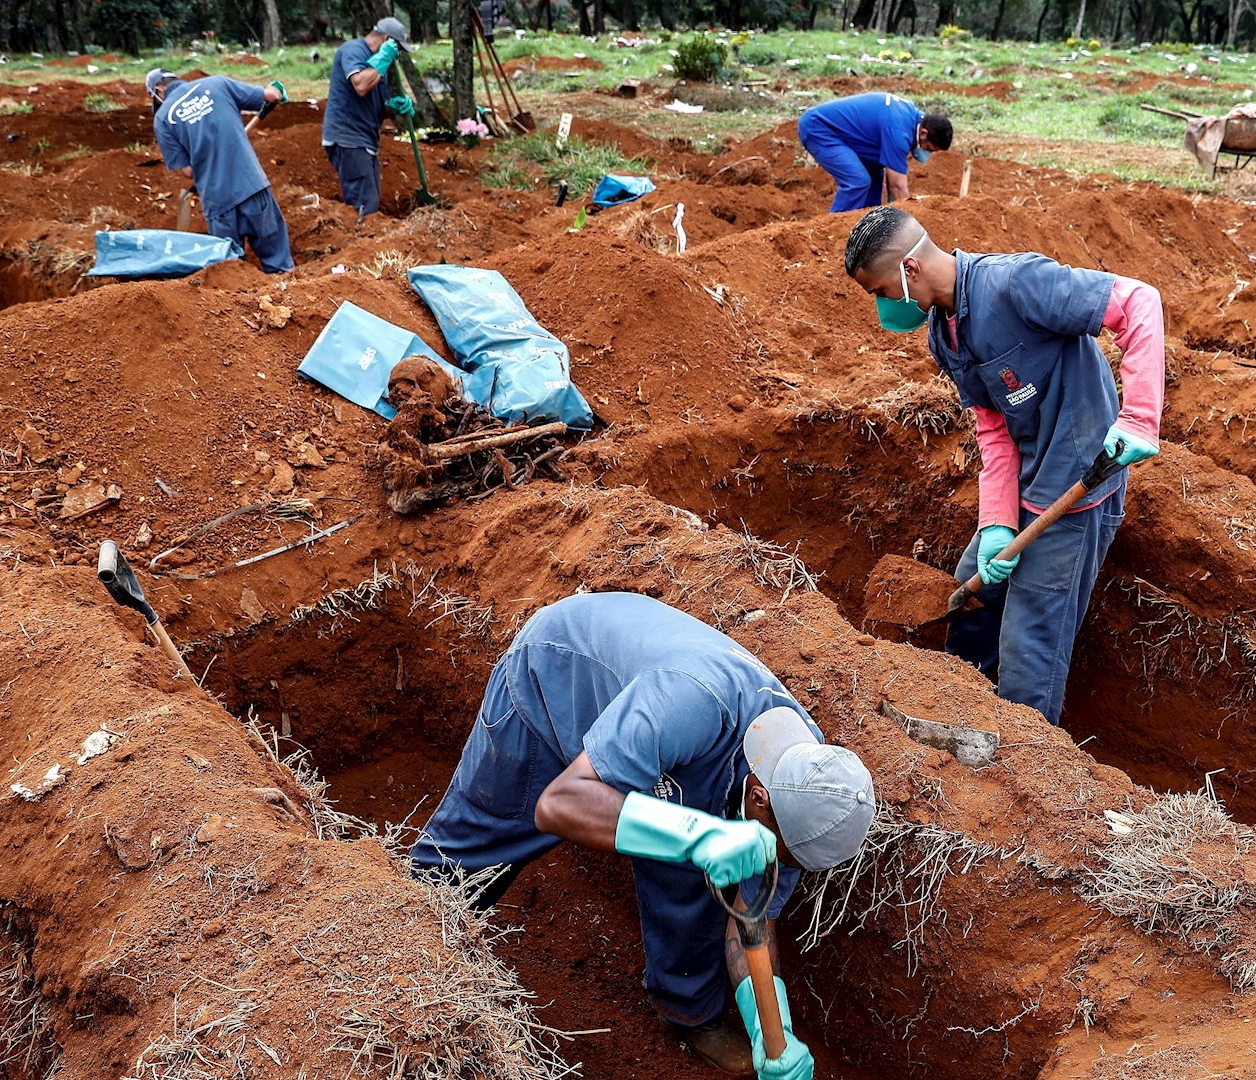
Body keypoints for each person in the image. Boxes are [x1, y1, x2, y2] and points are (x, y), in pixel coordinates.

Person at [410, 592, 876, 1080]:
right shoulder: (691, 703)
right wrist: (697, 834)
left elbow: (749, 917)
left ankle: (689, 1013)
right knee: (471, 852)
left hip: (668, 754)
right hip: (555, 683)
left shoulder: (808, 783)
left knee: (693, 875)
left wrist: (771, 1028)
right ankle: (404, 950)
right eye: (782, 855)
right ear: (760, 797)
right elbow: (559, 804)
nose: (779, 867)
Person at [842, 206, 1165, 726]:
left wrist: (1139, 416)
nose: (884, 307)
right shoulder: (943, 334)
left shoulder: (1017, 284)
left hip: (1078, 491)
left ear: (910, 270)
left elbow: (1138, 302)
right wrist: (996, 523)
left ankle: (1027, 762)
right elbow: (993, 430)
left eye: (880, 292)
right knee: (971, 595)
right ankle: (960, 717)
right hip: (1025, 485)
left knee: (1029, 648)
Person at [146, 68, 293, 274]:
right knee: (280, 266)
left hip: (218, 202)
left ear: (158, 90)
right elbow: (271, 95)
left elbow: (187, 171)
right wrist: (277, 91)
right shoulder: (217, 84)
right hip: (252, 187)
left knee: (231, 273)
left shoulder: (163, 119)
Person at [322, 15, 418, 220]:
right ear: (386, 41)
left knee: (370, 200)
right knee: (364, 205)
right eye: (397, 49)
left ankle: (366, 243)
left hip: (365, 140)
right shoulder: (353, 50)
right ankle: (363, 245)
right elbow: (361, 85)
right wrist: (383, 60)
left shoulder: (379, 68)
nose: (397, 55)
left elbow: (378, 106)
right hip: (347, 138)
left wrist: (395, 108)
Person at [796, 92, 952, 213]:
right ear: (923, 133)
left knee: (874, 173)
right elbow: (897, 186)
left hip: (846, 133)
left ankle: (867, 226)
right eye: (928, 148)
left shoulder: (914, 117)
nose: (925, 153)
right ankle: (832, 231)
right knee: (857, 181)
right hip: (819, 128)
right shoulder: (899, 131)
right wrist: (908, 223)